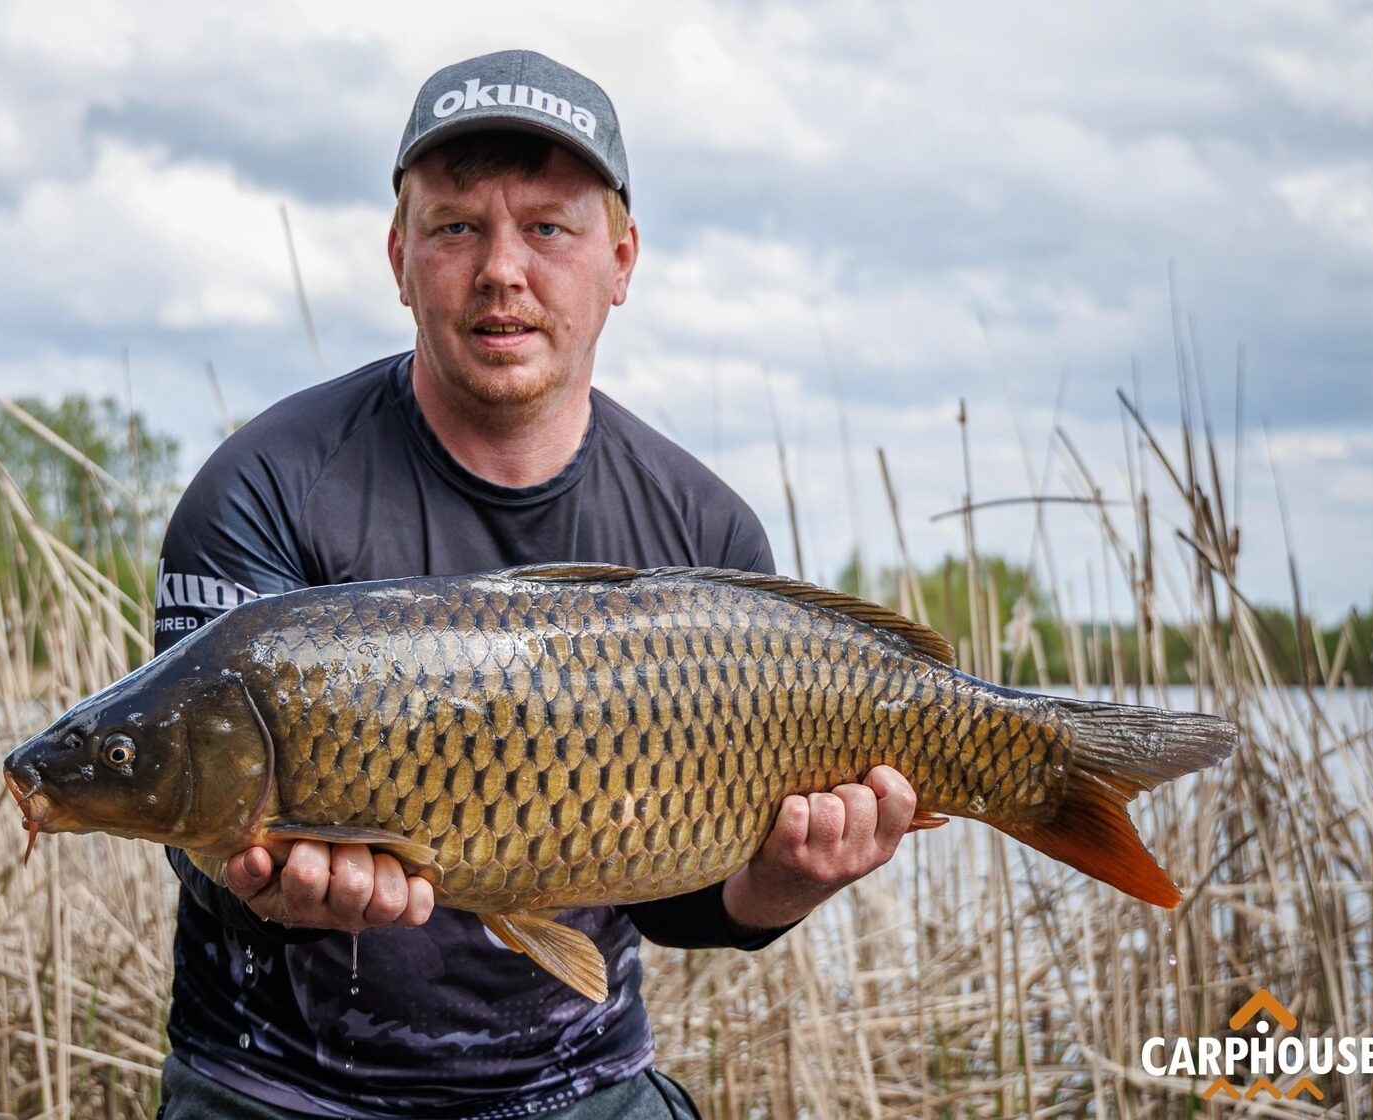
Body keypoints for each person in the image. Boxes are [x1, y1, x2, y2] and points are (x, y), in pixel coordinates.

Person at [151, 48, 916, 1119]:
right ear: (400, 257)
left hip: (579, 1084)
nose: (501, 269)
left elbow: (679, 900)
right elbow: (191, 813)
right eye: (457, 227)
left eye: (548, 228)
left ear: (621, 259)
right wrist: (262, 885)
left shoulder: (705, 535)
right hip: (279, 1090)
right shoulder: (262, 489)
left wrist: (778, 887)